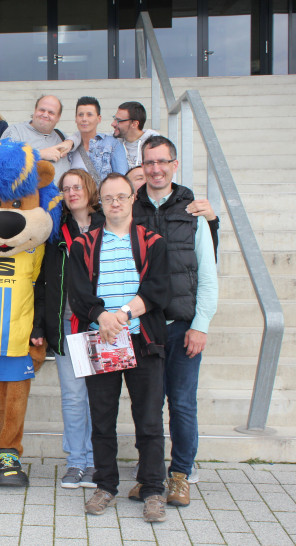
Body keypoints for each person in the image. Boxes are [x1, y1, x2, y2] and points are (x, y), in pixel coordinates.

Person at [68, 174, 170, 523]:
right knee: (102, 418)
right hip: (102, 340)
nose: (115, 203)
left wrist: (123, 314)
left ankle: (153, 489)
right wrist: (102, 317)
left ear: (132, 199)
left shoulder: (153, 241)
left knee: (149, 419)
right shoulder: (84, 244)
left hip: (142, 341)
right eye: (108, 198)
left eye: (121, 197)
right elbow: (78, 293)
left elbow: (158, 290)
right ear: (101, 202)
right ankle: (105, 485)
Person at [131, 135, 218, 507]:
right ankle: (150, 476)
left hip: (183, 326)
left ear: (174, 165)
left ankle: (180, 474)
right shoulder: (131, 209)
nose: (155, 168)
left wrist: (201, 324)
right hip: (145, 326)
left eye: (162, 161)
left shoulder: (193, 210)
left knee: (181, 403)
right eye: (149, 162)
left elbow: (209, 273)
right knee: (148, 406)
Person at [31, 169, 104, 489]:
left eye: (77, 186)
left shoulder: (109, 225)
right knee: (74, 397)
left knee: (99, 397)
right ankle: (77, 461)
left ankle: (97, 462)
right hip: (66, 323)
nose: (72, 192)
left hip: (100, 325)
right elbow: (43, 280)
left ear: (89, 189)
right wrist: (39, 324)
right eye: (66, 188)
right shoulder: (56, 231)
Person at [2, 95, 72, 184]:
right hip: (27, 196)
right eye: (42, 110)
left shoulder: (62, 137)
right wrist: (39, 154)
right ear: (35, 110)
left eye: (51, 112)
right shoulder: (15, 131)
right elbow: (2, 161)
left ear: (58, 117)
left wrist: (71, 142)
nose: (45, 115)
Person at [67, 97, 127, 185]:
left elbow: (122, 180)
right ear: (76, 119)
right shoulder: (70, 148)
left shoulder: (112, 144)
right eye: (80, 115)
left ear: (99, 118)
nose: (84, 119)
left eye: (89, 114)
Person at [112, 102, 160, 170]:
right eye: (114, 118)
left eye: (119, 121)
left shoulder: (156, 144)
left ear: (134, 124)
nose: (113, 124)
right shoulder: (111, 142)